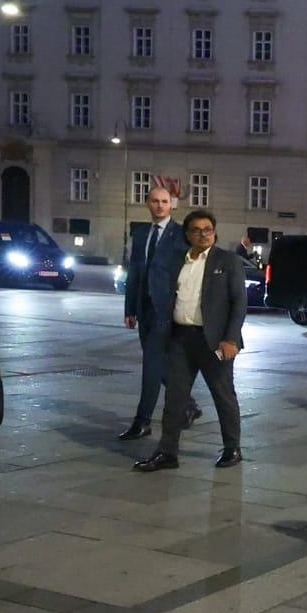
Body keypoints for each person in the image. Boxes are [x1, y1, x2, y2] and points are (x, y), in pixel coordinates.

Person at [134, 209, 247, 472]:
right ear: (187, 234)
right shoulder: (179, 261)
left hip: (214, 341)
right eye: (197, 230)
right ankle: (167, 453)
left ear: (214, 232)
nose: (204, 234)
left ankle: (232, 448)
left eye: (208, 229)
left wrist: (231, 339)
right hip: (181, 339)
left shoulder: (227, 261)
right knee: (175, 399)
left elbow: (239, 302)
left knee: (223, 395)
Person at [119, 186, 198, 440]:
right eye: (155, 201)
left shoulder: (180, 235)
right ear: (148, 204)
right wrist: (130, 308)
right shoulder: (141, 233)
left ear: (172, 205)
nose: (160, 206)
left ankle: (142, 421)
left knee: (152, 365)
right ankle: (188, 405)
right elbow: (135, 273)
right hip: (144, 309)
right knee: (159, 365)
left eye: (164, 201)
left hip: (166, 310)